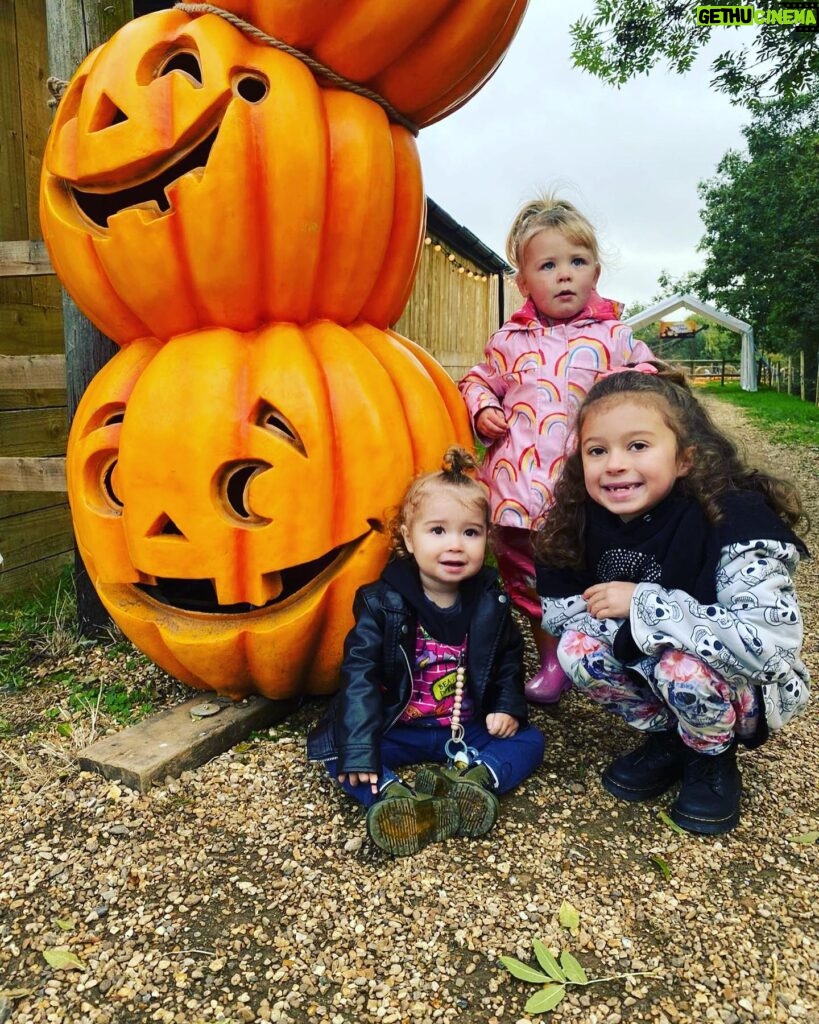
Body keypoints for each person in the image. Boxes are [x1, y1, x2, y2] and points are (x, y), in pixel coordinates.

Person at [535, 364, 810, 834]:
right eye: (597, 450)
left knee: (678, 666)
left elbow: (769, 645)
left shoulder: (734, 516)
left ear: (685, 458)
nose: (615, 463)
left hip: (748, 686)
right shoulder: (579, 521)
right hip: (658, 664)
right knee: (577, 646)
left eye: (637, 446)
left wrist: (644, 603)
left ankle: (712, 757)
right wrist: (620, 627)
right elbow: (563, 616)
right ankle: (671, 736)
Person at [459, 194, 654, 704]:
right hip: (517, 494)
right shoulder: (508, 340)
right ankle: (551, 657)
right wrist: (483, 409)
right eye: (548, 265)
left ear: (595, 272)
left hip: (585, 492)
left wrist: (627, 397)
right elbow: (478, 381)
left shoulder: (614, 336)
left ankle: (600, 650)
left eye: (577, 262)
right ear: (523, 283)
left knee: (591, 572)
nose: (564, 275)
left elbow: (648, 384)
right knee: (528, 582)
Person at [307, 447, 545, 857]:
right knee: (341, 751)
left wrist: (506, 706)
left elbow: (507, 656)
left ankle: (473, 785)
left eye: (470, 533)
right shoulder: (382, 602)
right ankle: (393, 800)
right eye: (438, 531)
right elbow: (360, 676)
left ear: (486, 538)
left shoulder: (490, 599)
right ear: (407, 538)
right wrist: (360, 749)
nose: (455, 545)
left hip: (463, 728)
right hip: (397, 727)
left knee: (530, 740)